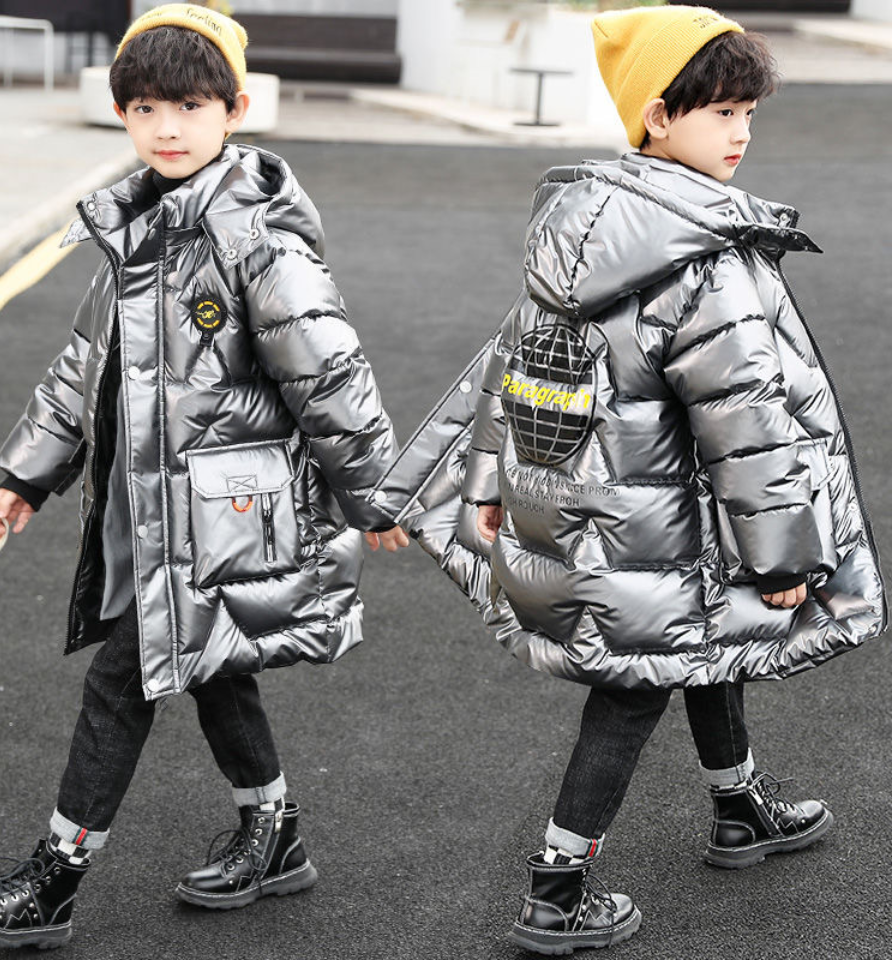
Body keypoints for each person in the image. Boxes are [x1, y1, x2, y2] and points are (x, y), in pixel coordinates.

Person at [371, 5, 885, 954]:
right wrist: (785, 555)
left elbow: (513, 369)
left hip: (596, 519)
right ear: (656, 114)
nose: (740, 133)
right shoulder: (706, 259)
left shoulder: (577, 228)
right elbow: (748, 429)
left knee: (699, 643)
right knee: (637, 686)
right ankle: (557, 886)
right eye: (721, 112)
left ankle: (738, 808)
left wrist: (486, 484)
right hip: (665, 527)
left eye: (747, 114)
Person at [0, 4, 408, 950]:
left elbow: (327, 375)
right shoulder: (137, 226)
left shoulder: (255, 237)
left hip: (220, 517)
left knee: (127, 678)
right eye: (144, 107)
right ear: (122, 115)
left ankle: (55, 878)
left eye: (188, 106)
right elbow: (86, 365)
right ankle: (273, 832)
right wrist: (30, 474)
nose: (166, 127)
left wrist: (378, 492)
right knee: (212, 669)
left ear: (235, 108)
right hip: (149, 509)